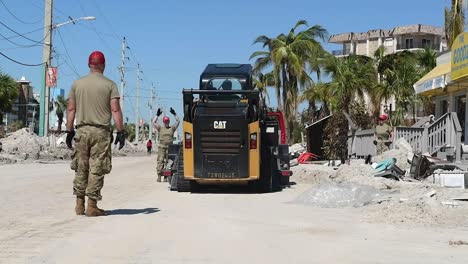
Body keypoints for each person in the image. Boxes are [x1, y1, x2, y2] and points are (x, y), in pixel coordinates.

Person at [66, 51, 126, 217]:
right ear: (104, 65)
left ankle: (79, 204)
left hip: (82, 131)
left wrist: (69, 131)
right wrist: (121, 131)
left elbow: (71, 109)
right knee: (97, 168)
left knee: (81, 166)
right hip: (100, 133)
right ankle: (92, 206)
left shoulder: (77, 84)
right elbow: (115, 109)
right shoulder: (110, 85)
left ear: (89, 64)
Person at [153, 107, 180, 182]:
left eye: (167, 121)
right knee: (160, 161)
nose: (166, 123)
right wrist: (157, 115)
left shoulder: (172, 128)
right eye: (165, 121)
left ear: (169, 121)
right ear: (163, 122)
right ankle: (159, 176)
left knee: (168, 162)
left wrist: (174, 114)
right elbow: (153, 122)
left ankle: (166, 177)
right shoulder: (160, 128)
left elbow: (178, 121)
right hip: (162, 148)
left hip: (170, 148)